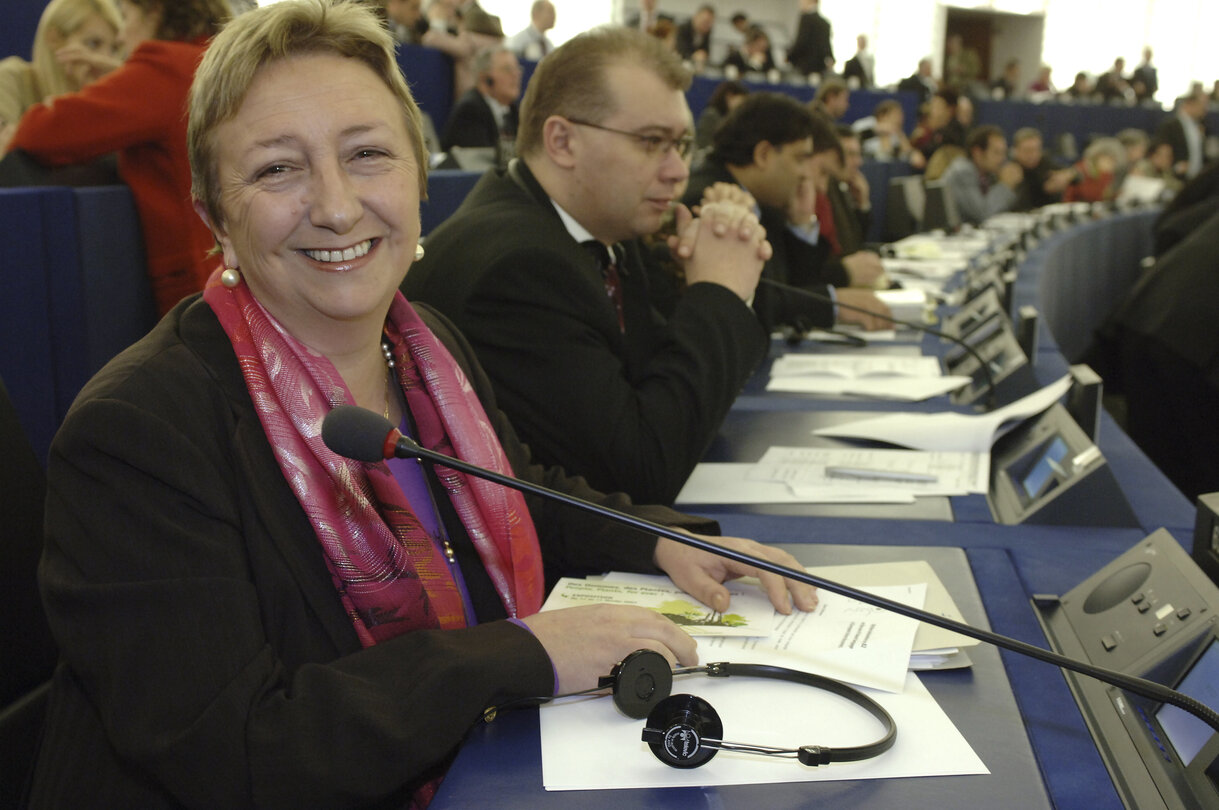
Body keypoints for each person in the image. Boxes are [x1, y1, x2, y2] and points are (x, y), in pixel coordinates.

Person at [28, 3, 817, 807]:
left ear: (418, 175)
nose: (335, 206)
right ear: (216, 219)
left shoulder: (423, 345)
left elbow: (517, 492)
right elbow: (235, 752)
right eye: (276, 170)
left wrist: (658, 542)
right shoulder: (138, 433)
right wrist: (521, 654)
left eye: (368, 155)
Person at [404, 26, 772, 506]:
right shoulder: (520, 269)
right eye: (652, 142)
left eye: (681, 145)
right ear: (562, 141)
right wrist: (717, 295)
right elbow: (641, 473)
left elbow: (668, 384)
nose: (678, 171)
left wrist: (709, 282)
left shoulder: (598, 229)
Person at [3, 0, 227, 317]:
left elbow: (43, 132)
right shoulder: (215, 62)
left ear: (155, 12)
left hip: (196, 285)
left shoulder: (163, 67)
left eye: (126, 16)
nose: (122, 37)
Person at [684, 92, 892, 334]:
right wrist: (833, 303)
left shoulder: (767, 201)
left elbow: (792, 283)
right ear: (763, 155)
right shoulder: (706, 201)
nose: (806, 174)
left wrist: (801, 222)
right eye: (801, 159)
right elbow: (749, 304)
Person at [0, 0, 121, 127]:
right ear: (54, 39)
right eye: (93, 44)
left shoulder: (110, 101)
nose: (105, 59)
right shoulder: (12, 79)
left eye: (114, 49)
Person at [439, 45, 521, 155]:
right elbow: (482, 161)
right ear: (485, 78)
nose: (516, 75)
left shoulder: (514, 111)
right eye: (507, 69)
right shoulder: (470, 110)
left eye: (517, 69)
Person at [941, 124, 1022, 224]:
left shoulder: (988, 174)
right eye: (996, 153)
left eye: (1004, 152)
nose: (1003, 159)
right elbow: (982, 213)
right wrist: (1005, 186)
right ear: (977, 153)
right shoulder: (962, 172)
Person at [1009, 127, 1073, 211]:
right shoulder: (1010, 170)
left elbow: (1076, 173)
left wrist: (1067, 176)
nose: (1033, 155)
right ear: (1015, 151)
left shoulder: (1044, 163)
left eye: (1037, 149)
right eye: (1028, 150)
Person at [854, 98, 925, 169]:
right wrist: (878, 130)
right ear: (882, 115)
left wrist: (912, 153)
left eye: (901, 115)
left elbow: (887, 156)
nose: (900, 119)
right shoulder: (865, 124)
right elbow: (855, 137)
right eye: (896, 115)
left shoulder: (896, 135)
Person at [1155, 88, 1209, 180]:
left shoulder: (1200, 125)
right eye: (1202, 105)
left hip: (1196, 178)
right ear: (1190, 104)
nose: (1205, 109)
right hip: (1177, 178)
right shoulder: (1171, 125)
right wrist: (1174, 168)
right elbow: (1164, 150)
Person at [1063, 136, 1124, 203]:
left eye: (1114, 162)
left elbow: (1106, 198)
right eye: (1110, 160)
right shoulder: (1079, 170)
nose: (1112, 166)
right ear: (1098, 156)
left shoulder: (1107, 174)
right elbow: (1068, 198)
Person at [694, 78, 748, 152]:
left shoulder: (733, 119)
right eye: (741, 101)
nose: (742, 106)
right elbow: (702, 144)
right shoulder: (711, 115)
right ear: (729, 97)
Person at [787, 0, 832, 77]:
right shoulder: (825, 23)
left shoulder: (805, 19)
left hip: (804, 67)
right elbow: (826, 46)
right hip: (820, 67)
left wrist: (789, 57)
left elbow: (801, 42)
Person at [674, 4, 714, 68]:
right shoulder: (683, 29)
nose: (707, 25)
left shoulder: (707, 32)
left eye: (709, 23)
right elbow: (680, 49)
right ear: (696, 17)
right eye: (705, 21)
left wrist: (703, 55)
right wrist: (694, 56)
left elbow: (706, 51)